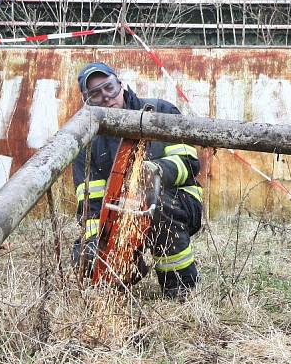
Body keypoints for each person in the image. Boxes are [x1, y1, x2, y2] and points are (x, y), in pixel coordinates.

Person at [72, 62, 204, 299]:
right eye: (95, 94)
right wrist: (97, 242)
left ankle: (180, 289)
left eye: (109, 88)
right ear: (87, 101)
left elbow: (189, 162)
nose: (105, 97)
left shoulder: (160, 110)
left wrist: (155, 171)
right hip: (122, 214)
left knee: (156, 206)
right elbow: (90, 206)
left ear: (120, 85)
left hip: (179, 200)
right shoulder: (89, 141)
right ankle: (121, 280)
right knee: (85, 253)